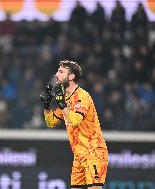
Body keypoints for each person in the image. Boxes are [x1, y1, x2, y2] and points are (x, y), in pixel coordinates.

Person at [40, 60, 108, 189]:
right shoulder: (66, 98)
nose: (56, 75)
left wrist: (62, 105)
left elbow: (75, 119)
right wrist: (47, 107)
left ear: (71, 77)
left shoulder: (82, 96)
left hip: (93, 152)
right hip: (79, 156)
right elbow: (51, 122)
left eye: (61, 72)